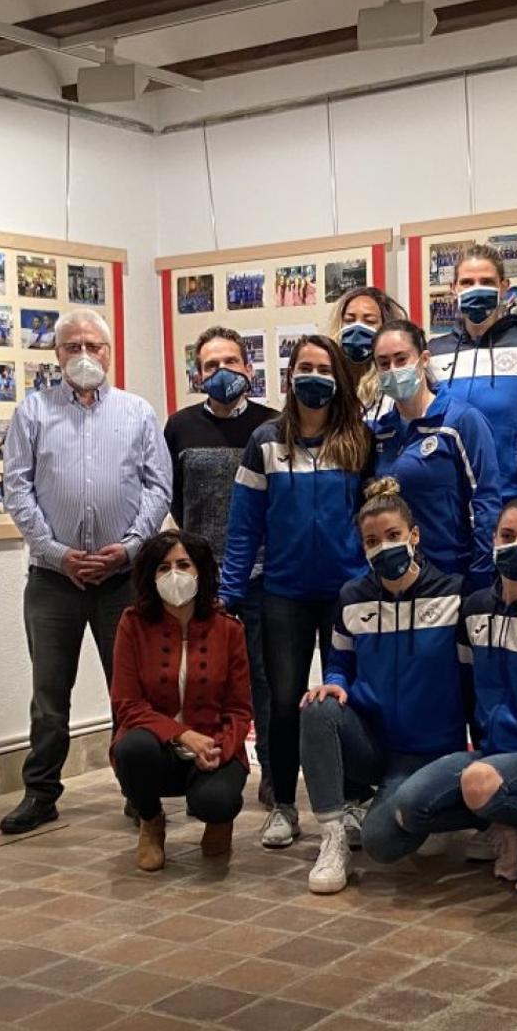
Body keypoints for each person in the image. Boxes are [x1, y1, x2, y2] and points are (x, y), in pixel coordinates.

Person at [1, 310, 170, 835]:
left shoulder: (137, 413)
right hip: (54, 580)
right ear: (56, 355)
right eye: (71, 346)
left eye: (93, 346)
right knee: (50, 694)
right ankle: (41, 792)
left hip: (123, 577)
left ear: (110, 352)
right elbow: (17, 489)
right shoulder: (32, 413)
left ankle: (136, 787)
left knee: (131, 691)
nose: (83, 356)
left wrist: (129, 548)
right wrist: (57, 552)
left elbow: (157, 487)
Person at [377, 500, 517, 893]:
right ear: (492, 540)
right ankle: (509, 824)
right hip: (491, 757)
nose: (516, 546)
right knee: (408, 808)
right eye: (507, 536)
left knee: (478, 782)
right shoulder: (474, 609)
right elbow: (466, 692)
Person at [219, 335, 372, 850]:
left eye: (323, 368)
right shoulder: (265, 441)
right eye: (304, 367)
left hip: (345, 597)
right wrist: (229, 595)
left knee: (345, 699)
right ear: (289, 377)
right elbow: (243, 526)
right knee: (283, 705)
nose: (313, 376)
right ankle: (284, 804)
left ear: (338, 378)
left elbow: (378, 519)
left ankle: (351, 800)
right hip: (281, 594)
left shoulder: (359, 441)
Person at [299, 479, 470, 893]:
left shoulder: (455, 596)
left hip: (434, 752)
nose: (384, 547)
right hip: (377, 748)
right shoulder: (352, 598)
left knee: (381, 841)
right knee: (316, 707)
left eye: (393, 535)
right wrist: (335, 683)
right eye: (372, 540)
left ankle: (461, 811)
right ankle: (334, 838)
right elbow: (340, 663)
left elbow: (474, 683)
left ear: (414, 535)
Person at [163, 328, 280, 805]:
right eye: (211, 365)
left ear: (249, 369)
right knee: (203, 682)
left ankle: (274, 773)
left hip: (262, 575)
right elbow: (172, 496)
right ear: (197, 375)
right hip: (201, 582)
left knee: (266, 682)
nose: (222, 372)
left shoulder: (273, 424)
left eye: (232, 362)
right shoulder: (179, 426)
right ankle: (207, 771)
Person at [109, 532, 251, 871]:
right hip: (158, 747)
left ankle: (219, 821)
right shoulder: (133, 624)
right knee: (132, 750)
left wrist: (219, 748)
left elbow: (240, 709)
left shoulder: (229, 628)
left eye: (184, 565)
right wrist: (181, 734)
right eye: (163, 567)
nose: (175, 574)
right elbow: (126, 703)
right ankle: (151, 821)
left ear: (200, 571)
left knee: (217, 801)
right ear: (150, 576)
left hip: (213, 746)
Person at [370, 319, 502, 591]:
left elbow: (485, 502)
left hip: (451, 576)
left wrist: (481, 574)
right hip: (394, 578)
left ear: (423, 358)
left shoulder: (460, 421)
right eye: (384, 363)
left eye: (401, 358)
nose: (393, 370)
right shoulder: (381, 432)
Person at [427, 243, 517, 497]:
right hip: (449, 499)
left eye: (486, 281)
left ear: (504, 287)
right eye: (467, 282)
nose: (476, 289)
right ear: (453, 289)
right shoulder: (432, 353)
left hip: (512, 496)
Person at [326, 285, 408, 411]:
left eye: (369, 321)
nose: (357, 328)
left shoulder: (394, 386)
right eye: (349, 320)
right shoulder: (330, 381)